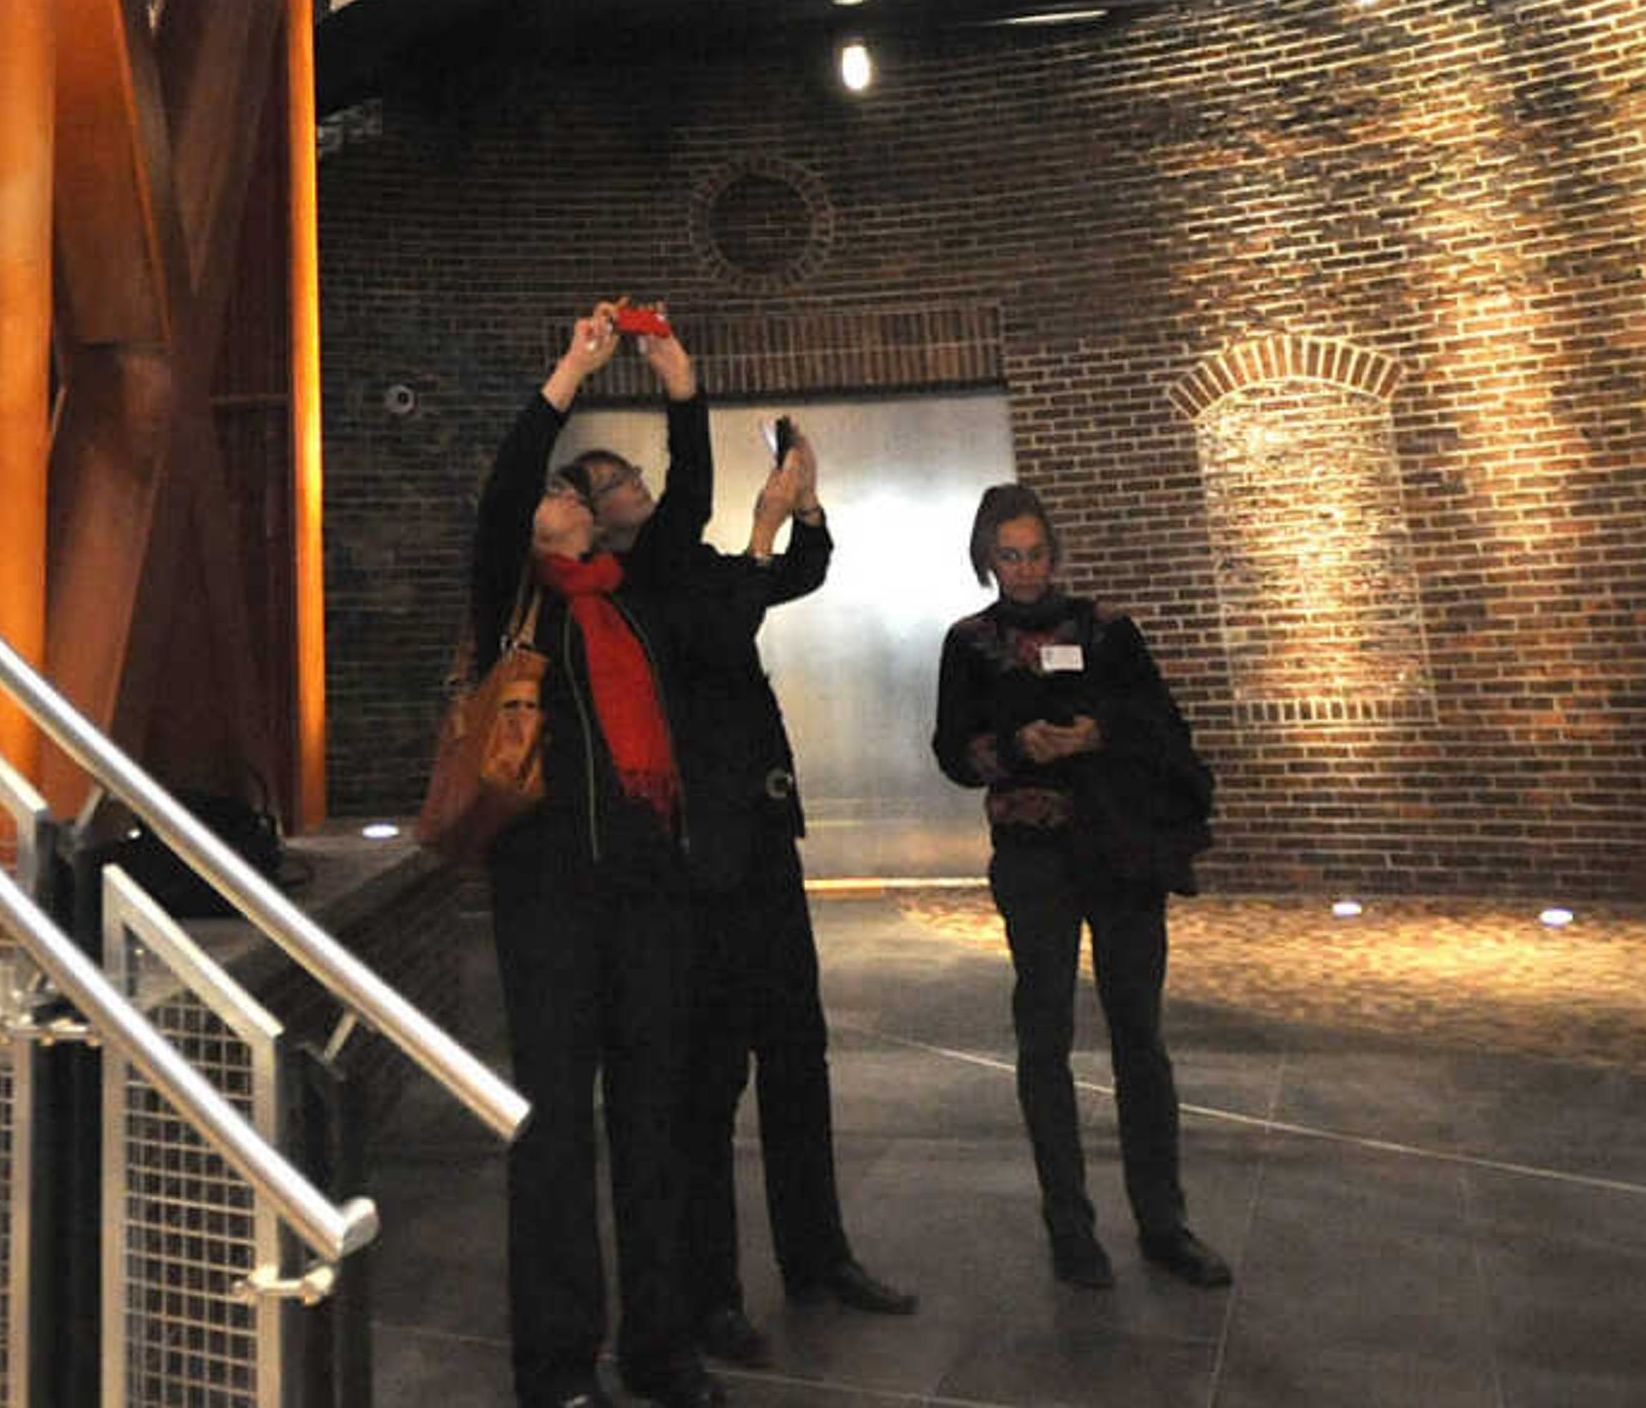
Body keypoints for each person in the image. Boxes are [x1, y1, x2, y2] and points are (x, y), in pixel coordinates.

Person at [468, 304, 724, 1408]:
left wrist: (681, 385)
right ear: (533, 533)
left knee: (655, 1121)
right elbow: (501, 490)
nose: (570, 496)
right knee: (557, 1132)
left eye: (580, 493)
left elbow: (691, 507)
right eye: (557, 494)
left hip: (647, 890)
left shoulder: (633, 600)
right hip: (550, 898)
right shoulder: (514, 607)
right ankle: (558, 1366)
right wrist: (570, 366)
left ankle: (664, 1348)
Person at [657, 426, 917, 1367]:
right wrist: (763, 520)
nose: (636, 490)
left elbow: (799, 572)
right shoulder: (643, 592)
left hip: (764, 850)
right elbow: (728, 623)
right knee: (713, 1083)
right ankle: (711, 1294)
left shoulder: (698, 571)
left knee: (799, 1059)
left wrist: (803, 505)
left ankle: (818, 1256)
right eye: (611, 483)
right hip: (704, 869)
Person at [931, 483, 1234, 1291]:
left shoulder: (1107, 631)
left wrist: (1099, 731)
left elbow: (1163, 725)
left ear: (1053, 552)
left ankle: (1163, 1221)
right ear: (985, 558)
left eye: (1034, 552)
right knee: (1045, 1038)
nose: (1025, 569)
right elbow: (952, 752)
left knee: (1141, 1038)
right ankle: (1071, 1226)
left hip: (1121, 853)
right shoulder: (969, 642)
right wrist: (1016, 746)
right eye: (1008, 555)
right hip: (1034, 859)